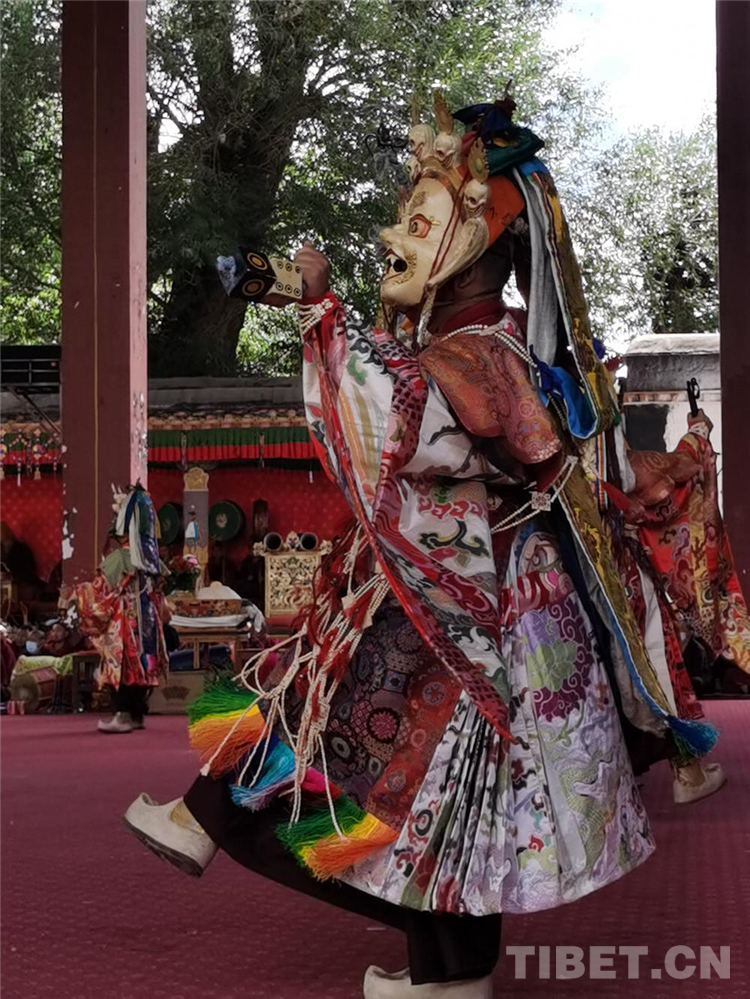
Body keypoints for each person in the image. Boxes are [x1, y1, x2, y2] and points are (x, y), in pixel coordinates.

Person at [124, 94, 716, 998]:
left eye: (419, 222)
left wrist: (324, 311)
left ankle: (225, 825)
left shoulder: (481, 354)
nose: (393, 238)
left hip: (476, 612)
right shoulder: (481, 347)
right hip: (465, 594)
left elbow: (406, 422)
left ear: (472, 247)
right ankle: (426, 954)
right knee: (413, 766)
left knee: (407, 762)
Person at [70, 485, 170, 734]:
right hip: (147, 620)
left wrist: (79, 592)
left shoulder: (119, 559)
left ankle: (123, 714)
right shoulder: (150, 558)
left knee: (123, 664)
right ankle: (137, 714)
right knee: (142, 663)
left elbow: (101, 589)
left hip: (125, 620)